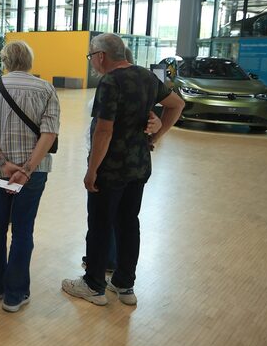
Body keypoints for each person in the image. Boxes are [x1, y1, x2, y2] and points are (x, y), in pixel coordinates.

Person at [62, 33, 184, 306]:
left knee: (100, 225)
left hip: (111, 170)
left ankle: (93, 285)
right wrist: (155, 136)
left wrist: (92, 170)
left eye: (91, 56)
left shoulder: (110, 81)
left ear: (101, 56)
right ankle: (124, 284)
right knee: (129, 224)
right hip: (138, 167)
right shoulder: (146, 77)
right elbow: (177, 105)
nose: (92, 61)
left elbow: (104, 131)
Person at [0, 41, 59, 313]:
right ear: (30, 61)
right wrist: (27, 170)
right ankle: (15, 294)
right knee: (23, 230)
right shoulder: (46, 89)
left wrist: (5, 165)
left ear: (5, 60)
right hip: (32, 176)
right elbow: (49, 133)